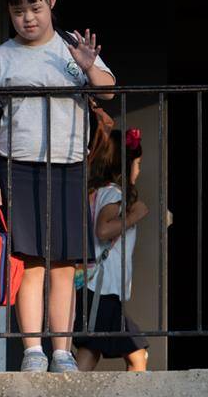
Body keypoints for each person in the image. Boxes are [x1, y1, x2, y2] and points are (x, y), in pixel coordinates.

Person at [0, 0, 116, 374]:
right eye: (19, 12)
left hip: (68, 166)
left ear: (51, 2)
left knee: (64, 264)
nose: (28, 18)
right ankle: (33, 349)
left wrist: (88, 68)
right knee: (31, 262)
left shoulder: (72, 47)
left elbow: (106, 90)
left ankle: (62, 351)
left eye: (35, 8)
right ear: (10, 13)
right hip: (17, 167)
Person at [73, 126, 150, 372]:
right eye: (136, 164)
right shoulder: (114, 194)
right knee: (137, 354)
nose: (138, 170)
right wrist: (134, 215)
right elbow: (103, 230)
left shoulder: (98, 192)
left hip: (94, 288)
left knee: (89, 349)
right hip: (102, 291)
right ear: (125, 165)